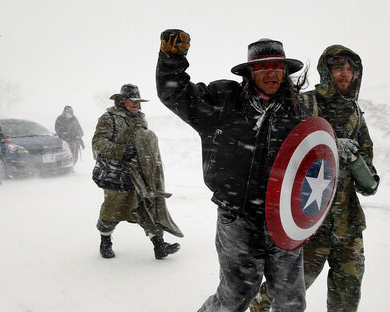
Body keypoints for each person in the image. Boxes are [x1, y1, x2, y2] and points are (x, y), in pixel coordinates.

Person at [156, 30, 309, 311]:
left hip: (284, 219)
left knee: (291, 302)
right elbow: (175, 93)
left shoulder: (298, 113)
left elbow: (312, 162)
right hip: (237, 218)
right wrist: (171, 59)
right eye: (263, 66)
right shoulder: (223, 101)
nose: (272, 73)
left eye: (277, 66)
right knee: (235, 297)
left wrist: (306, 214)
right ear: (250, 72)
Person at [250, 45, 379, 312]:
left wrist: (354, 160)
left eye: (350, 69)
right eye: (338, 67)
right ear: (326, 70)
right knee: (282, 292)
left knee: (347, 298)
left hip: (348, 228)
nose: (345, 74)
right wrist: (328, 144)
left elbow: (370, 184)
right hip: (308, 223)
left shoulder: (356, 115)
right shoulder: (304, 104)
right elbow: (279, 155)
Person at [93, 84, 183, 260]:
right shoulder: (109, 118)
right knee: (113, 210)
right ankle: (105, 242)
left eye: (138, 101)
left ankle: (159, 246)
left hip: (139, 174)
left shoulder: (140, 119)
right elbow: (98, 143)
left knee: (146, 207)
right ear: (122, 101)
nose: (136, 105)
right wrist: (122, 151)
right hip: (116, 174)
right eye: (132, 101)